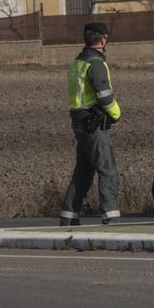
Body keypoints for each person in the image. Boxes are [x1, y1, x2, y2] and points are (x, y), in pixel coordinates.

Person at [59, 22, 122, 226]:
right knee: (107, 169)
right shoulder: (96, 64)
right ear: (102, 40)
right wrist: (116, 114)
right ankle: (110, 216)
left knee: (83, 171)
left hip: (79, 121)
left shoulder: (78, 62)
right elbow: (104, 96)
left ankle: (68, 216)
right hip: (93, 123)